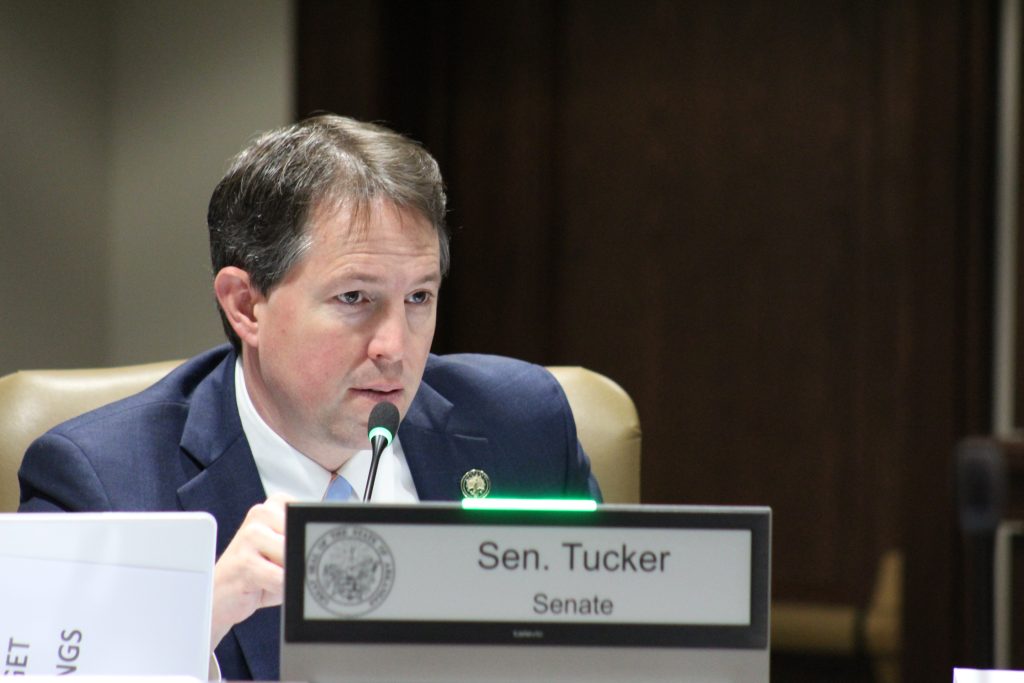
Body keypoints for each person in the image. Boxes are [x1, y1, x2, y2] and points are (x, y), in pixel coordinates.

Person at [17, 114, 601, 680]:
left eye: (419, 298)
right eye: (354, 298)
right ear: (246, 305)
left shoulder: (520, 428)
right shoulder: (102, 484)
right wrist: (201, 616)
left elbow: (608, 651)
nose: (394, 347)